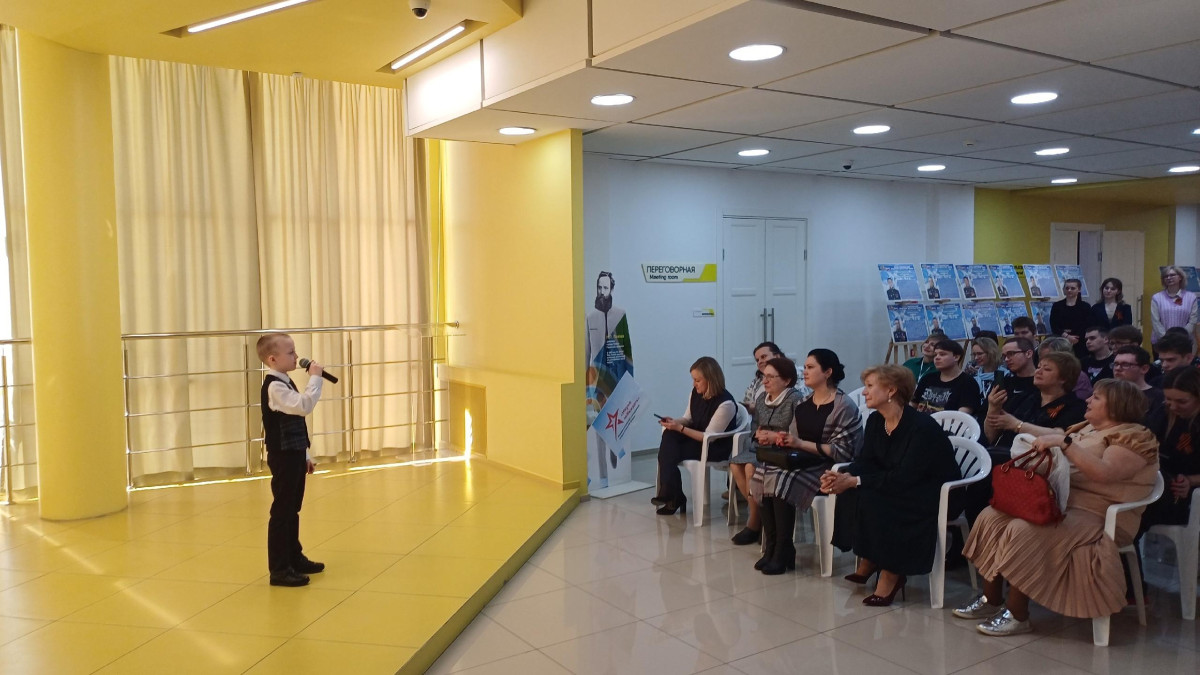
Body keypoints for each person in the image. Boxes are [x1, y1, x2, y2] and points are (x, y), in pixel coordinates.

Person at [955, 379, 1158, 636]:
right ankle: (991, 599)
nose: (1088, 400)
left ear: (1118, 405)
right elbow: (1059, 442)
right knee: (992, 515)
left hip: (1099, 514)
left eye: (1096, 398)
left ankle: (1018, 614)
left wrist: (1065, 444)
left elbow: (1105, 473)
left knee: (1023, 528)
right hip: (1062, 503)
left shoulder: (1134, 436)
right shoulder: (1086, 427)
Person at [822, 365, 961, 606]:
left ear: (891, 390)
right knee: (853, 492)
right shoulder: (877, 420)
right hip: (899, 483)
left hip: (932, 493)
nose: (864, 392)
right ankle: (870, 557)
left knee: (875, 498)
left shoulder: (921, 428)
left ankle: (891, 573)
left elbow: (907, 476)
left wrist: (855, 481)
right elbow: (867, 461)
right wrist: (843, 476)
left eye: (870, 386)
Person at [751, 350, 862, 574]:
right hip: (804, 460)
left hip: (828, 466)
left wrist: (799, 443)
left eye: (811, 367)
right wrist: (781, 439)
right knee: (761, 473)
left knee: (781, 478)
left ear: (828, 372)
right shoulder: (803, 403)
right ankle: (772, 545)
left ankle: (783, 548)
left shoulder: (843, 406)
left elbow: (843, 452)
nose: (805, 372)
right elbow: (794, 438)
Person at [256, 334, 326, 587]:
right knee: (282, 511)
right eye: (290, 353)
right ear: (272, 359)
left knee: (292, 509)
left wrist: (304, 454)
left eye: (295, 352)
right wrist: (315, 378)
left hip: (294, 453)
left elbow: (295, 420)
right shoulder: (274, 387)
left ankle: (294, 557)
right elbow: (303, 406)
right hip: (283, 456)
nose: (297, 357)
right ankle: (279, 569)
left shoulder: (284, 381)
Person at [729, 356, 804, 546]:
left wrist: (774, 437)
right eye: (764, 376)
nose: (765, 381)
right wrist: (758, 434)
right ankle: (762, 513)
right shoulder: (762, 399)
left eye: (770, 377)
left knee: (750, 468)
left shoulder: (795, 399)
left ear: (786, 380)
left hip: (782, 450)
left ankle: (754, 523)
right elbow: (755, 426)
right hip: (761, 447)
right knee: (735, 464)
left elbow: (798, 433)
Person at [653, 357, 738, 515]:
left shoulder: (726, 404)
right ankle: (672, 494)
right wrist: (673, 422)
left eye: (698, 380)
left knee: (670, 449)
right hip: (697, 440)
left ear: (711, 380)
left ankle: (672, 495)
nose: (694, 384)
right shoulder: (696, 393)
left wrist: (679, 428)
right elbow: (688, 419)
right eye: (693, 380)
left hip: (715, 447)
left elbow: (708, 437)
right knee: (669, 437)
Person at [1139, 367, 1200, 548]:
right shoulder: (1163, 412)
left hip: (1181, 494)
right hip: (1156, 480)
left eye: (1182, 401)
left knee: (1134, 512)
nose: (1173, 406)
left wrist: (1190, 481)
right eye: (1168, 399)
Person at [585, 271, 633, 483]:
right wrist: (584, 384)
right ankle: (603, 476)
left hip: (616, 378)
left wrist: (630, 379)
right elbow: (587, 352)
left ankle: (615, 450)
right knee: (598, 426)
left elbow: (627, 349)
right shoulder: (590, 317)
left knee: (615, 422)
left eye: (605, 287)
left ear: (611, 289)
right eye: (599, 287)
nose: (602, 291)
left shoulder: (620, 314)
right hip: (596, 380)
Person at [913, 339, 980, 414]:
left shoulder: (968, 383)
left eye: (942, 354)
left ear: (956, 357)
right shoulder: (927, 379)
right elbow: (913, 405)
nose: (937, 358)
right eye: (935, 355)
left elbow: (963, 415)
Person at [1112, 345, 1165, 420]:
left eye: (1125, 364)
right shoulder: (1107, 393)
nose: (1117, 368)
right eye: (1116, 364)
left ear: (1144, 369)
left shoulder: (1158, 398)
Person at [1151, 266, 1198, 347]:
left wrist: (1180, 337)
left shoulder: (1191, 297)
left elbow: (1192, 321)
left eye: (1172, 275)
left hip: (1184, 341)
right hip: (1162, 342)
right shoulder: (1157, 298)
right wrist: (1166, 338)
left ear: (1180, 277)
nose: (1169, 278)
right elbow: (1156, 321)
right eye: (1166, 276)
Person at [1050, 278, 1091, 360]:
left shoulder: (1085, 306)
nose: (1069, 290)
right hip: (1060, 341)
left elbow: (1087, 324)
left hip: (1080, 342)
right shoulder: (1057, 306)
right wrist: (1066, 336)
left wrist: (1075, 338)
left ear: (1079, 289)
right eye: (1067, 288)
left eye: (1072, 288)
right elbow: (1053, 324)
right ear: (1063, 289)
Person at [970, 337, 1003, 403]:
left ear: (991, 352)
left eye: (980, 354)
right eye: (974, 354)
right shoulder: (973, 378)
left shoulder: (1005, 375)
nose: (976, 358)